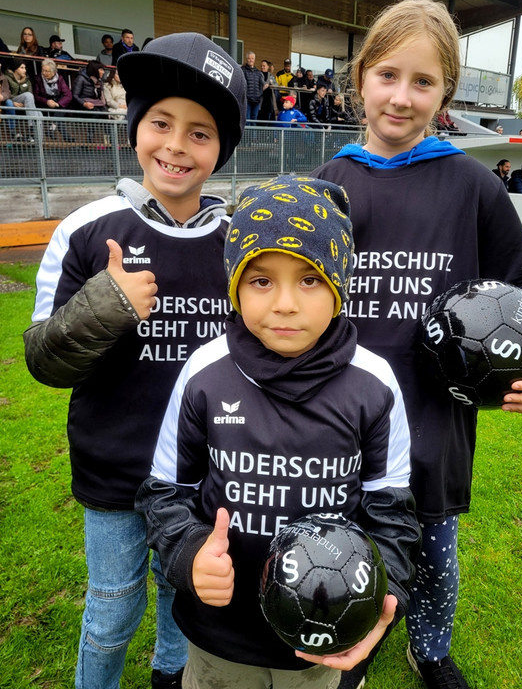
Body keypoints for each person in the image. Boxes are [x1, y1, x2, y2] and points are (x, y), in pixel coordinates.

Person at [310, 0, 522, 689]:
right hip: (340, 423)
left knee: (434, 551)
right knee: (347, 548)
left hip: (434, 423)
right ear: (360, 77)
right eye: (388, 75)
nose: (402, 97)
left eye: (423, 82)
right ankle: (352, 647)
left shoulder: (471, 186)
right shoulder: (328, 185)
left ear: (446, 92)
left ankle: (429, 650)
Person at [23, 32, 247, 689]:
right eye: (161, 123)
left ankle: (169, 679)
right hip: (114, 471)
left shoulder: (239, 244)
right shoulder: (88, 229)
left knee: (182, 601)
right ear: (135, 129)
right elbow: (44, 358)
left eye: (200, 133)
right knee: (112, 612)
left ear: (220, 151)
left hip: (200, 473)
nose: (176, 145)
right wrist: (106, 305)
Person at [135, 174, 421, 689]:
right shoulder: (206, 371)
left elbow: (392, 512)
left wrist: (385, 595)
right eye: (261, 280)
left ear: (339, 284)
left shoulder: (375, 383)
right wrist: (190, 551)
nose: (285, 303)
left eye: (309, 278)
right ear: (235, 286)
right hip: (221, 637)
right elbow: (163, 491)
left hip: (327, 646)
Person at [5, 59, 43, 142]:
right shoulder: (7, 78)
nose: (24, 70)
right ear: (16, 69)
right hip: (12, 100)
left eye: (25, 68)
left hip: (24, 103)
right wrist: (13, 102)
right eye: (22, 68)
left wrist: (25, 103)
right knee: (28, 95)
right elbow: (6, 93)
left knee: (39, 113)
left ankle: (37, 141)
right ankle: (31, 125)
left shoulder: (27, 80)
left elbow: (30, 93)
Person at [241, 51, 264, 121]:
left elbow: (261, 85)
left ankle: (253, 133)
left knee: (254, 119)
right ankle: (247, 133)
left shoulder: (258, 72)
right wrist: (245, 95)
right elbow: (242, 85)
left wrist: (259, 95)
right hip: (247, 100)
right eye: (249, 58)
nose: (251, 60)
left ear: (254, 59)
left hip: (256, 100)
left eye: (252, 58)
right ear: (246, 59)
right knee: (247, 119)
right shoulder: (243, 70)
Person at [0, 59, 17, 137]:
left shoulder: (3, 78)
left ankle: (12, 129)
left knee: (9, 102)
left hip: (1, 101)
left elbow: (8, 92)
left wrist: (2, 96)